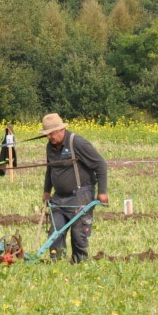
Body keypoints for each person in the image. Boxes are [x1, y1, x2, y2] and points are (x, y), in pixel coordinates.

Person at [39, 113, 108, 263]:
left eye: (51, 133)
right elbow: (50, 169)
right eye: (47, 134)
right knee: (55, 232)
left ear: (61, 130)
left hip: (80, 195)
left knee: (78, 233)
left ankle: (80, 263)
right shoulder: (50, 147)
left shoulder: (77, 142)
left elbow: (100, 164)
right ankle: (57, 263)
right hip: (59, 197)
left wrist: (102, 192)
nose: (49, 137)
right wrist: (46, 190)